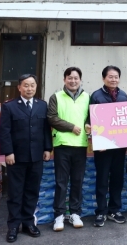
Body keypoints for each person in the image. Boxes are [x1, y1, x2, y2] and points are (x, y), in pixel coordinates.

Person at [0, 74, 53, 243]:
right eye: (26, 85)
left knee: (32, 191)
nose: (29, 88)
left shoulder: (42, 105)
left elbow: (46, 130)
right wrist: (8, 152)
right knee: (15, 193)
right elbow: (4, 131)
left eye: (32, 85)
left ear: (36, 87)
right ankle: (13, 226)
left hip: (36, 156)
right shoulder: (10, 107)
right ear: (19, 88)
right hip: (17, 157)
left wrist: (47, 149)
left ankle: (28, 223)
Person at [47, 67, 90, 231]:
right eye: (70, 78)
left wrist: (88, 125)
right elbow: (51, 118)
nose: (73, 81)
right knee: (61, 182)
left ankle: (75, 213)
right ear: (64, 79)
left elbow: (91, 117)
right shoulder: (56, 97)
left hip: (80, 145)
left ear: (80, 80)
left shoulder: (87, 97)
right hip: (62, 145)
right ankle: (59, 215)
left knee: (78, 181)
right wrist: (71, 127)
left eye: (76, 78)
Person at [86, 65, 127, 227]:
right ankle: (101, 211)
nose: (113, 79)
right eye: (110, 76)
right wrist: (97, 140)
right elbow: (89, 120)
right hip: (102, 147)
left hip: (119, 147)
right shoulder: (96, 96)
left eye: (116, 76)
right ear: (104, 78)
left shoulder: (124, 96)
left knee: (117, 179)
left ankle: (114, 210)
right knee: (102, 179)